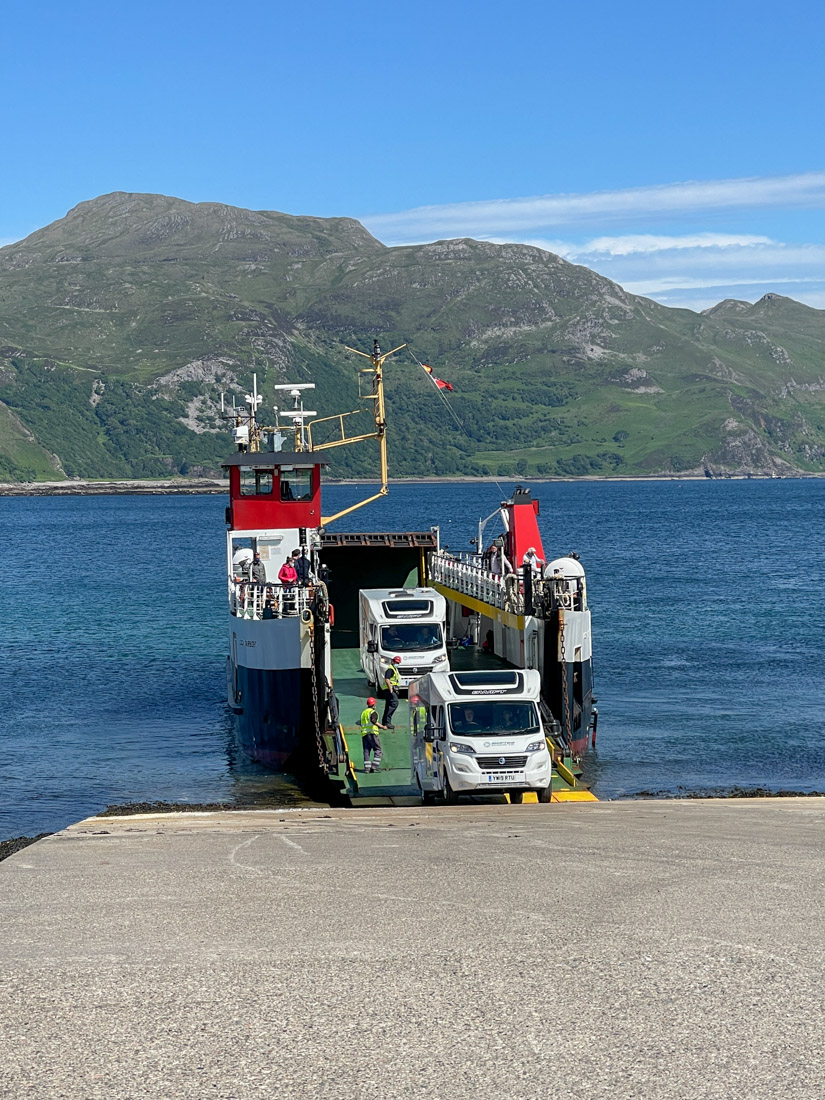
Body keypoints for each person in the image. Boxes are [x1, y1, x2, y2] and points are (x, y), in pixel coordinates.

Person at [360, 697, 387, 773]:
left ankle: (367, 768)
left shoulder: (364, 713)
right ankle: (374, 766)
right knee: (378, 750)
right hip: (372, 734)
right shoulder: (373, 712)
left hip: (364, 734)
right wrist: (382, 726)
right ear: (374, 704)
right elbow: (373, 721)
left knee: (366, 751)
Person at [382, 655, 402, 727]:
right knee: (394, 703)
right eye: (396, 662)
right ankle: (387, 722)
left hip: (389, 689)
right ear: (392, 661)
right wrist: (391, 690)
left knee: (388, 705)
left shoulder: (393, 669)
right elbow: (387, 679)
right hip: (389, 690)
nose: (397, 664)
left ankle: (385, 722)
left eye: (398, 663)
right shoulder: (390, 669)